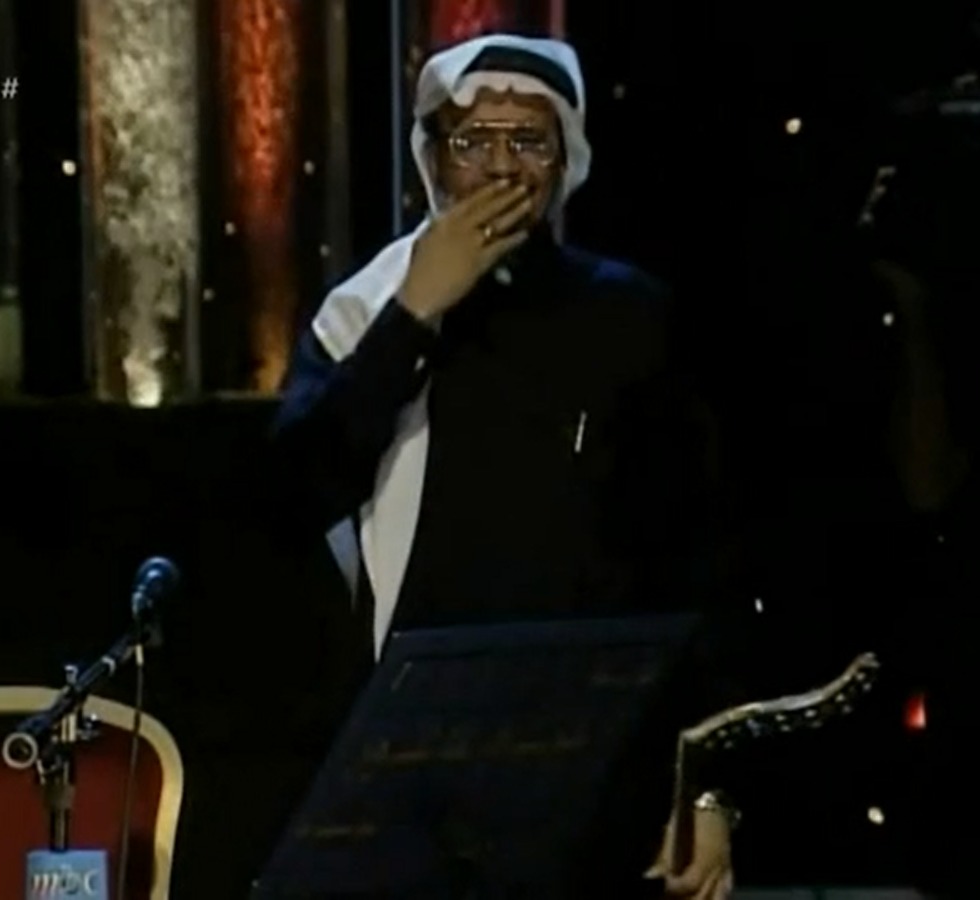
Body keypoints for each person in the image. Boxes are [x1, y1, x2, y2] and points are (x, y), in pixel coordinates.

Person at [270, 33, 744, 899]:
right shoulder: (366, 311)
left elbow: (688, 568)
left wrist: (704, 789)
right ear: (432, 160)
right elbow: (292, 494)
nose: (500, 166)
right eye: (473, 141)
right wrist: (415, 313)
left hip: (589, 762)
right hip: (408, 761)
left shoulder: (626, 315)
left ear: (566, 161)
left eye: (528, 140)